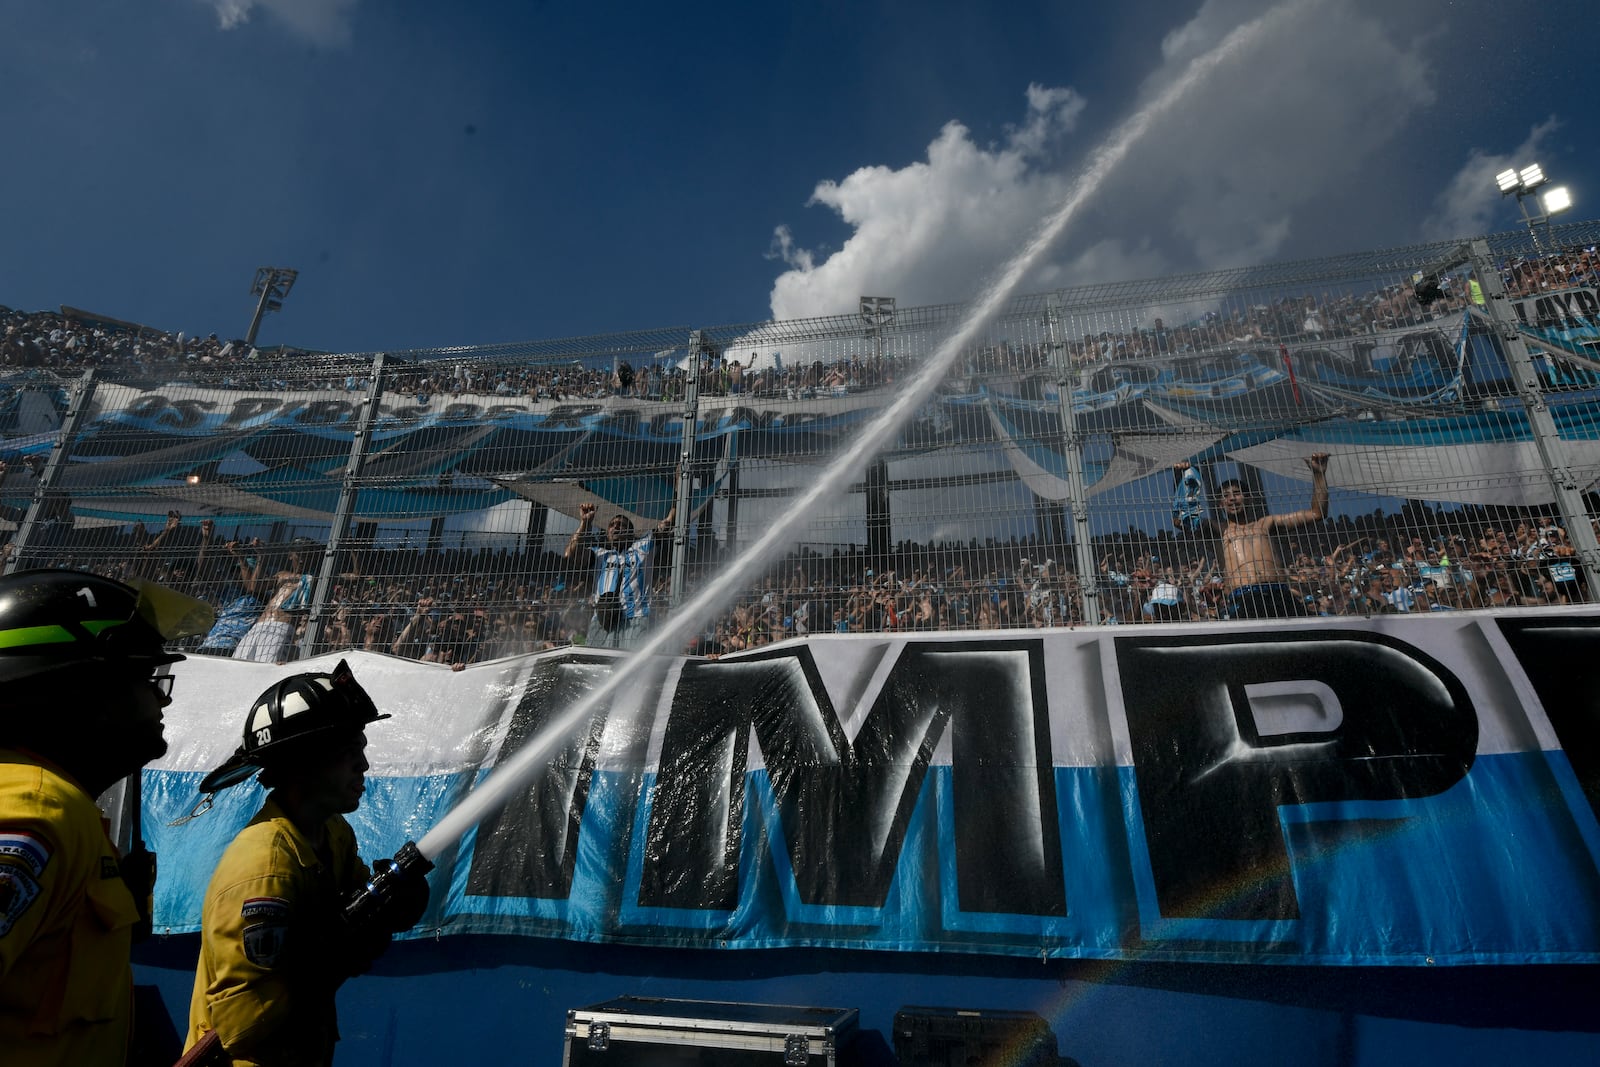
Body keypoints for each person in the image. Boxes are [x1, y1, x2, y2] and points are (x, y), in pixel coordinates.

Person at [0, 569, 212, 1066]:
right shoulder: (33, 811)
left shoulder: (59, 809)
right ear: (77, 691)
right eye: (145, 678)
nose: (162, 699)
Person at [185, 660, 429, 1066]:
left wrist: (388, 910)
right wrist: (325, 956)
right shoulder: (264, 866)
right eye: (350, 752)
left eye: (362, 750)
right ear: (303, 762)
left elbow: (353, 921)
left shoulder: (333, 833)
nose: (364, 765)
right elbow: (240, 1027)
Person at [1172, 453, 1330, 619]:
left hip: (1278, 593)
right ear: (1220, 504)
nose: (1232, 498)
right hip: (1243, 597)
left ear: (1249, 499)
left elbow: (1316, 513)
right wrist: (1180, 481)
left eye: (1237, 493)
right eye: (1225, 495)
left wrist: (1319, 474)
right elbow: (1181, 522)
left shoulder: (1266, 524)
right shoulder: (1218, 529)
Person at [564, 501, 675, 649]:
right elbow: (571, 553)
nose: (615, 526)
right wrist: (585, 523)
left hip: (635, 619)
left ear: (630, 532)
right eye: (612, 525)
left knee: (633, 664)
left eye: (621, 524)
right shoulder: (600, 555)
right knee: (596, 663)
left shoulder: (642, 548)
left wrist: (677, 490)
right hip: (603, 621)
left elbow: (668, 521)